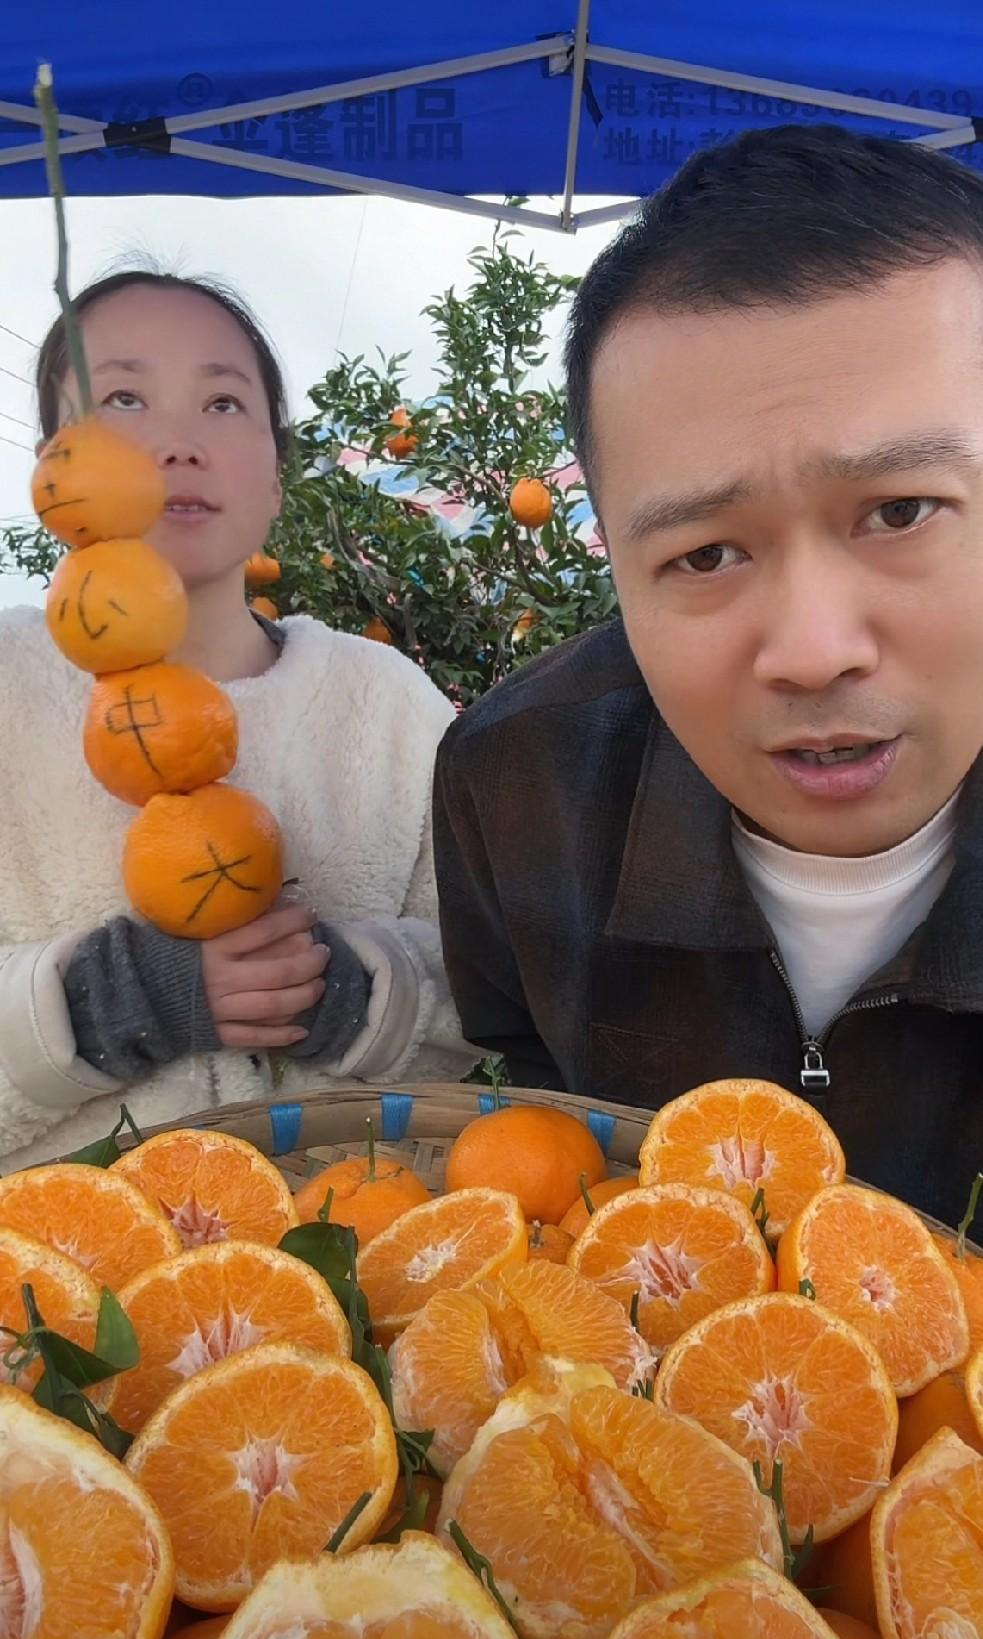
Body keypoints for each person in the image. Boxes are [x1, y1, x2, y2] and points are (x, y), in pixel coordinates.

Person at [433, 123, 983, 1231]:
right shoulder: (516, 783)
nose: (812, 651)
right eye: (704, 555)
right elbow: (527, 1082)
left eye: (899, 511)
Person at [0, 267, 476, 1169]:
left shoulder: (384, 704)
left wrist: (356, 998)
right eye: (124, 398)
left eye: (222, 403)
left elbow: (487, 975)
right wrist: (109, 1002)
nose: (178, 443)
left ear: (276, 479)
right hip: (56, 1247)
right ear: (53, 465)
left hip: (357, 1237)